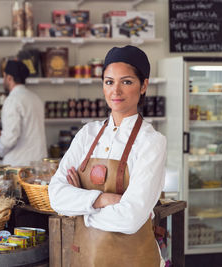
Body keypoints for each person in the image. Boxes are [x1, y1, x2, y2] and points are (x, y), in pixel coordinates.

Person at [48, 45, 167, 267]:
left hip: (134, 259)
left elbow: (131, 218)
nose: (116, 91)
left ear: (144, 86)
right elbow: (55, 196)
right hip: (85, 257)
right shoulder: (87, 133)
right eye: (109, 82)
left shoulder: (151, 142)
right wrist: (101, 199)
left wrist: (81, 209)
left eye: (127, 82)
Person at [0, 60, 47, 166]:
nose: (4, 80)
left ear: (9, 78)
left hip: (19, 166)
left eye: (4, 76)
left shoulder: (12, 100)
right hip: (39, 163)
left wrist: (0, 149)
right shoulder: (36, 98)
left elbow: (10, 137)